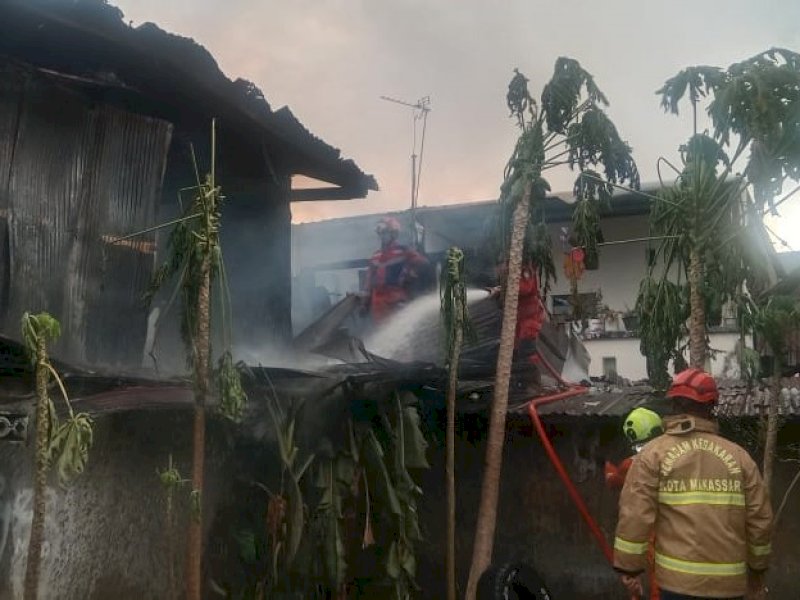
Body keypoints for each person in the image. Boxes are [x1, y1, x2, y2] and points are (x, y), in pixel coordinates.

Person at [614, 368, 773, 600]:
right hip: (730, 586)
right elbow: (760, 521)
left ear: (675, 405)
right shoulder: (740, 458)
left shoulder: (653, 454)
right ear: (711, 407)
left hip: (677, 586)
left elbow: (635, 515)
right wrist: (758, 571)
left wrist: (630, 569)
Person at [605, 407, 665, 600]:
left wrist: (606, 465)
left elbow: (613, 480)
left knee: (654, 583)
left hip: (650, 533)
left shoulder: (631, 464)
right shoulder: (674, 457)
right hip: (677, 530)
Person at [490, 261, 547, 391]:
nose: (498, 270)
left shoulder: (524, 270)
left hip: (529, 321)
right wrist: (500, 290)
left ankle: (533, 385)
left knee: (527, 353)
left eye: (499, 266)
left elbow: (525, 288)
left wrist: (504, 288)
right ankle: (520, 384)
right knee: (515, 354)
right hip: (516, 322)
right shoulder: (512, 274)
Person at [362, 217, 429, 324]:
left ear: (394, 234)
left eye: (385, 233)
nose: (383, 237)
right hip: (378, 301)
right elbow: (368, 281)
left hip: (396, 296)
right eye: (381, 234)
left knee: (400, 327)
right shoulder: (375, 255)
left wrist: (411, 274)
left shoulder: (403, 250)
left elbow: (422, 263)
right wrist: (365, 303)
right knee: (381, 332)